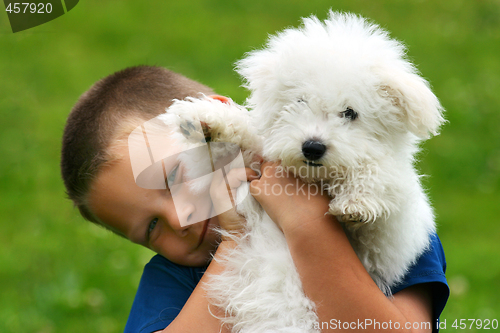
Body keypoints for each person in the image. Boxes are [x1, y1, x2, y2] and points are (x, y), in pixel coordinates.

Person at [61, 65, 449, 333]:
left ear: (212, 122)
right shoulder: (173, 280)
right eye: (151, 227)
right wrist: (237, 243)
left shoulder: (377, 215)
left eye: (175, 177)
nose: (178, 221)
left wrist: (307, 226)